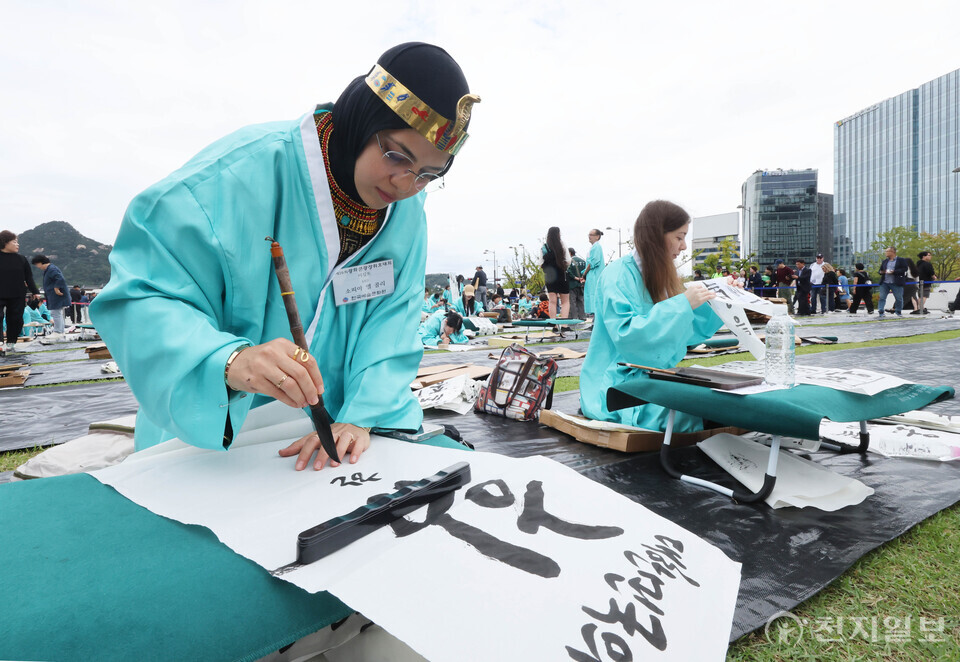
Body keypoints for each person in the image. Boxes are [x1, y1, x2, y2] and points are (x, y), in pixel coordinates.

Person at [90, 42, 480, 470]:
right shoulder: (235, 175)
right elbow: (140, 296)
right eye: (396, 156)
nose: (405, 184)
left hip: (338, 435)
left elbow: (393, 320)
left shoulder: (407, 211)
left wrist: (361, 416)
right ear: (363, 117)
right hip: (215, 436)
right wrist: (230, 360)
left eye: (428, 174)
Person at [580, 200, 720, 432]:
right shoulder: (617, 275)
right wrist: (683, 304)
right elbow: (628, 336)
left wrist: (717, 299)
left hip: (652, 375)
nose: (684, 246)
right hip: (615, 383)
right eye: (679, 237)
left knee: (714, 397)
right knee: (693, 410)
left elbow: (684, 331)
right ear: (656, 236)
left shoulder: (660, 276)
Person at [0, 231, 41, 355]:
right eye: (14, 242)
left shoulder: (21, 259)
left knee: (16, 319)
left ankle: (11, 344)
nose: (17, 244)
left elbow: (29, 277)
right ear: (5, 243)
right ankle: (0, 343)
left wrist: (35, 292)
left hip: (17, 294)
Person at [31, 255, 70, 336]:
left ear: (40, 263)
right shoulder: (49, 269)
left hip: (57, 295)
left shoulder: (51, 269)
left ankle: (58, 332)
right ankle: (61, 331)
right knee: (57, 314)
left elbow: (60, 278)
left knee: (55, 313)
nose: (37, 267)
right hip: (54, 296)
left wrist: (56, 288)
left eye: (37, 264)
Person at [541, 226, 569, 319]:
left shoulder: (544, 247)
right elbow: (568, 260)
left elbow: (540, 263)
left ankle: (553, 323)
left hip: (550, 276)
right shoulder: (562, 244)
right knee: (565, 301)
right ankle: (564, 324)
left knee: (552, 301)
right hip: (562, 274)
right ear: (558, 234)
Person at [877, 246, 908, 318]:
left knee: (899, 298)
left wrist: (894, 271)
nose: (885, 253)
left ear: (892, 252)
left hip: (896, 282)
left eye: (887, 251)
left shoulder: (901, 260)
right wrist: (881, 272)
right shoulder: (885, 261)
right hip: (885, 282)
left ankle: (898, 311)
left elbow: (904, 269)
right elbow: (880, 270)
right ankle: (881, 311)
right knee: (882, 297)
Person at [583, 228, 605, 316]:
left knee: (594, 296)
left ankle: (596, 319)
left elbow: (593, 262)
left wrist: (584, 273)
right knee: (592, 296)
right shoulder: (593, 247)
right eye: (589, 235)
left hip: (595, 275)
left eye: (591, 235)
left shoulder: (596, 246)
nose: (589, 236)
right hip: (591, 275)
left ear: (597, 237)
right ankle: (594, 319)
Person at [566, 247, 586, 320]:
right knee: (581, 301)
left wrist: (576, 278)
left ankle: (574, 318)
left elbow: (569, 272)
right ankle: (582, 317)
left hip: (572, 285)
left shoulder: (569, 261)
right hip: (581, 284)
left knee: (572, 302)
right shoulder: (583, 261)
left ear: (569, 253)